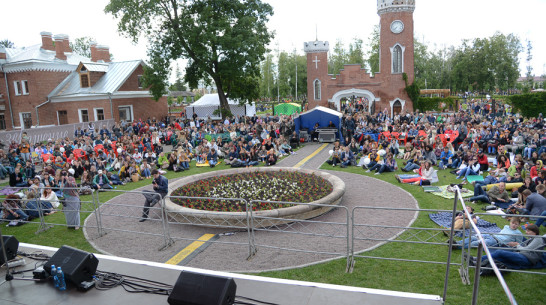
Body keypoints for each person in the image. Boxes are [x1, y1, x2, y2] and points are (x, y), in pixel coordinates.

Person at [452, 217, 523, 249]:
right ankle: (457, 243)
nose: (514, 225)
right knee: (474, 237)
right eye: (513, 223)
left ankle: (458, 247)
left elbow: (519, 244)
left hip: (496, 242)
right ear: (510, 223)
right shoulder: (506, 226)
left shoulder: (518, 233)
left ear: (519, 225)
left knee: (477, 243)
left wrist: (514, 244)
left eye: (516, 224)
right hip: (491, 235)